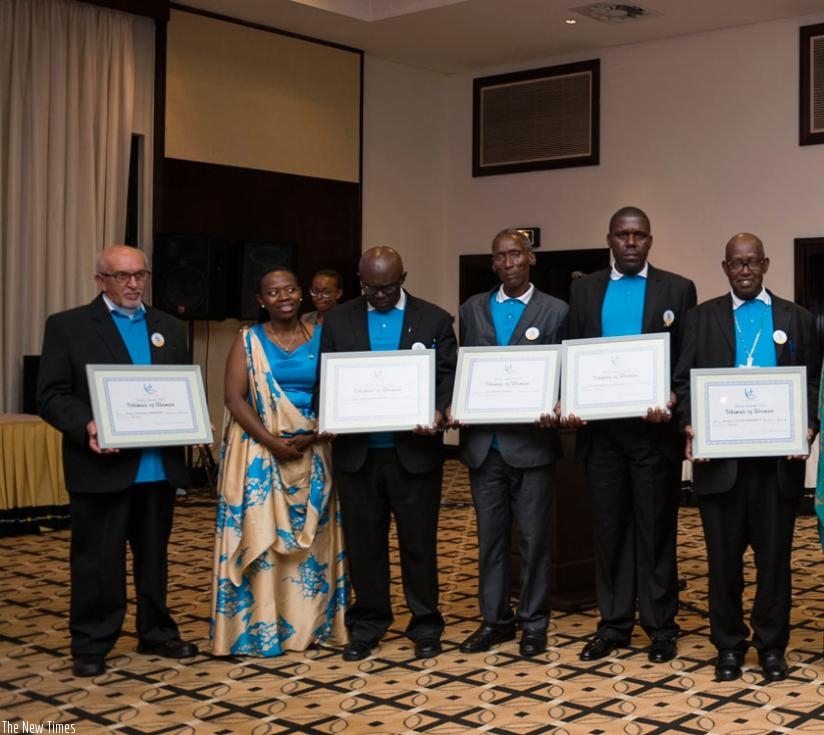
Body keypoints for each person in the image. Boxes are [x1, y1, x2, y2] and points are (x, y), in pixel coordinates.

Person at [37, 245, 198, 678]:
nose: (133, 284)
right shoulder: (68, 326)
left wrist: (193, 420)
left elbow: (178, 390)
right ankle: (91, 642)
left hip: (157, 468)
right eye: (122, 276)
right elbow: (50, 394)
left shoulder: (171, 326)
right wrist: (87, 424)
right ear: (100, 281)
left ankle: (156, 633)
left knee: (155, 558)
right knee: (97, 561)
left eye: (140, 275)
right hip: (100, 467)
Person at [673, 233, 819, 682]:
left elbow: (812, 382)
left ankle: (772, 647)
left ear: (766, 264)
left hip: (777, 467)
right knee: (723, 563)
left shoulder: (796, 318)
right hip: (720, 466)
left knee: (775, 562)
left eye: (753, 262)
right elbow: (682, 384)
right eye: (737, 264)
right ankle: (729, 647)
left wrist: (809, 426)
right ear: (725, 268)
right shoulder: (700, 318)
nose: (745, 270)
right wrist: (688, 425)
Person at [564, 207, 697, 664]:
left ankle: (660, 627)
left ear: (650, 240)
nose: (631, 242)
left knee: (655, 531)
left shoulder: (677, 289)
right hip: (601, 437)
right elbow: (572, 356)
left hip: (652, 435)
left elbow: (686, 360)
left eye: (639, 234)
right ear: (610, 240)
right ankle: (614, 625)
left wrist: (677, 401)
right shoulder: (583, 290)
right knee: (610, 531)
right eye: (622, 235)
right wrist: (569, 399)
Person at [319, 246, 457, 661]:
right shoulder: (339, 319)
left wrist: (437, 411)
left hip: (413, 453)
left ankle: (426, 624)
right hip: (358, 454)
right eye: (370, 287)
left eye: (388, 287)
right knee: (365, 545)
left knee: (419, 543)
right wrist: (327, 412)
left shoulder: (433, 318)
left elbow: (449, 376)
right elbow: (326, 376)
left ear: (404, 277)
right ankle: (369, 624)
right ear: (360, 281)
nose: (379, 295)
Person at [211, 268, 348, 656]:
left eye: (290, 288)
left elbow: (340, 390)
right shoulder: (247, 340)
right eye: (273, 292)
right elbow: (234, 398)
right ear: (261, 300)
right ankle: (260, 631)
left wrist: (316, 432)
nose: (283, 296)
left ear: (301, 293)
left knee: (314, 546)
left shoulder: (325, 338)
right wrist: (272, 441)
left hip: (314, 450)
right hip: (261, 454)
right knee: (264, 543)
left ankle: (313, 626)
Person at [449, 229, 568, 657]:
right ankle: (495, 621)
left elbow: (564, 373)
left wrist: (557, 400)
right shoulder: (472, 309)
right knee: (491, 541)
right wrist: (458, 403)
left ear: (531, 258)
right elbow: (468, 370)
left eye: (516, 254)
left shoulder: (556, 310)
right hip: (485, 446)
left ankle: (534, 623)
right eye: (500, 257)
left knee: (535, 541)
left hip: (532, 445)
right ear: (493, 263)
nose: (509, 262)